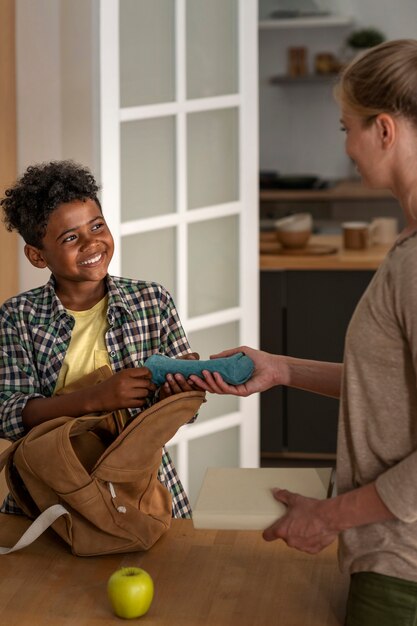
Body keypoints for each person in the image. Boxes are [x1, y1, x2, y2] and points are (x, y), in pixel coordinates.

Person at [190, 39, 417, 625]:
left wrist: (331, 516)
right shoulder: (407, 248)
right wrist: (283, 369)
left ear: (384, 131)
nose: (346, 146)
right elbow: (393, 389)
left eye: (348, 128)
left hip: (406, 570)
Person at [0, 160, 198, 519]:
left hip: (142, 489)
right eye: (71, 237)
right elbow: (10, 414)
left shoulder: (152, 301)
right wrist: (96, 397)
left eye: (97, 226)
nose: (92, 243)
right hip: (50, 494)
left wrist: (179, 394)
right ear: (37, 256)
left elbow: (183, 413)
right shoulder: (18, 317)